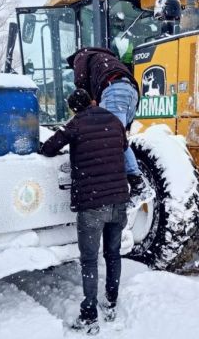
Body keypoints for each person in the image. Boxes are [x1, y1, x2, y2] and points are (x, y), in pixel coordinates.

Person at [40, 89, 130, 335]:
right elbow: (124, 146)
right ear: (92, 101)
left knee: (89, 260)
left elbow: (48, 149)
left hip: (92, 203)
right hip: (119, 200)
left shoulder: (75, 124)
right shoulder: (114, 120)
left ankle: (89, 316)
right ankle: (110, 303)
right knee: (113, 254)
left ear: (74, 109)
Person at [66, 47, 152, 201]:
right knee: (119, 138)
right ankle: (125, 182)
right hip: (131, 91)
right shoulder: (107, 59)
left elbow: (81, 84)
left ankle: (137, 184)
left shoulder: (81, 56)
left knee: (114, 139)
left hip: (115, 91)